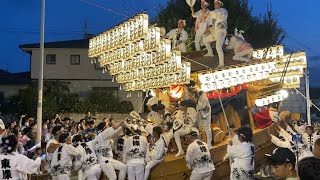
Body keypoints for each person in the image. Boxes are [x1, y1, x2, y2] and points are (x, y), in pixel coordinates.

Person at [203, 0, 228, 66]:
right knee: (205, 40)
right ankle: (210, 52)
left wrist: (207, 13)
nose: (215, 5)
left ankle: (221, 63)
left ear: (220, 4)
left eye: (216, 3)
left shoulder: (223, 10)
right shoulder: (215, 14)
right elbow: (212, 24)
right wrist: (209, 29)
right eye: (214, 4)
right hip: (216, 33)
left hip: (221, 32)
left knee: (218, 47)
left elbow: (215, 13)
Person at [189, 82, 212, 148]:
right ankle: (201, 143)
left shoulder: (201, 93)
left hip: (205, 111)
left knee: (207, 128)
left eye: (192, 90)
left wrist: (195, 101)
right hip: (200, 112)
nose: (191, 91)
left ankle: (209, 144)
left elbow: (203, 105)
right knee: (199, 127)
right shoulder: (195, 94)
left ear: (195, 87)